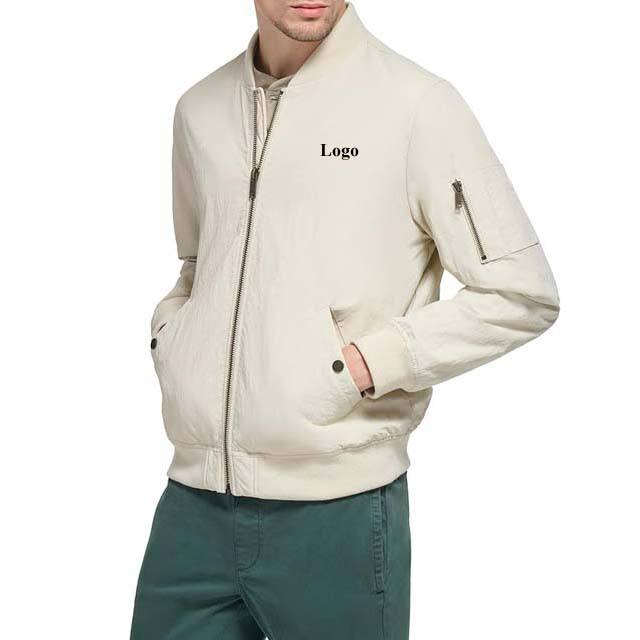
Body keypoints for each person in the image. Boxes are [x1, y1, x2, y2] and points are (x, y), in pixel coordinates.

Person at [130, 2, 560, 638]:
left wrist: (360, 367)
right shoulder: (199, 109)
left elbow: (522, 292)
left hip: (339, 510)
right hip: (193, 503)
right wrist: (174, 340)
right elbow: (200, 262)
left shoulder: (416, 106)